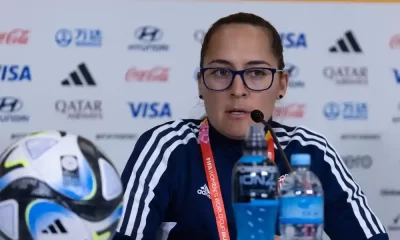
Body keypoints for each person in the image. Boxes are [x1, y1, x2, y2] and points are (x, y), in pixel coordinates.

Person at [113, 12, 388, 240]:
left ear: (282, 84)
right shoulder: (167, 147)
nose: (238, 90)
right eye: (221, 72)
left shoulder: (307, 152)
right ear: (200, 83)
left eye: (256, 73)